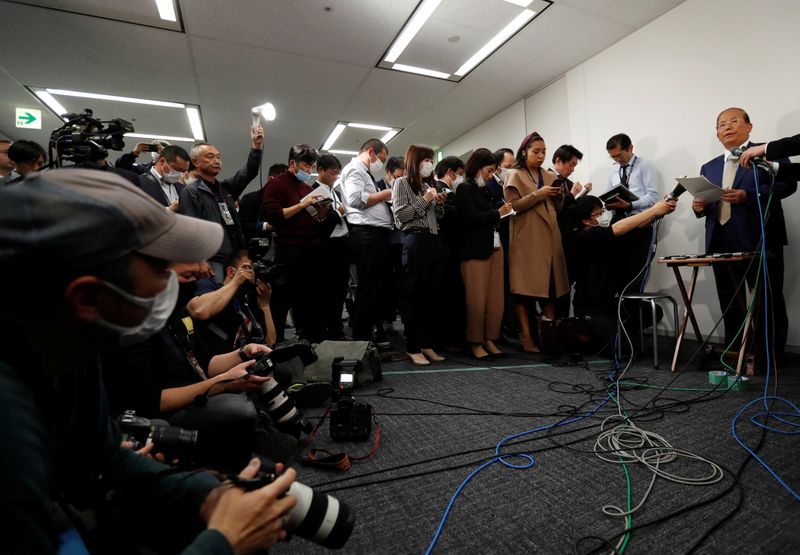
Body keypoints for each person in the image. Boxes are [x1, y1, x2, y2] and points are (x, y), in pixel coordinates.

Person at [0, 169, 297, 554]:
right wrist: (224, 543)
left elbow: (105, 457)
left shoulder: (72, 353)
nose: (172, 282)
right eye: (160, 268)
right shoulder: (8, 428)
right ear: (87, 299)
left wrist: (209, 495)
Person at [693, 107, 796, 362]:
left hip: (760, 236)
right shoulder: (709, 166)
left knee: (767, 299)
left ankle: (769, 356)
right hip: (721, 239)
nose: (727, 127)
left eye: (734, 121)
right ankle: (735, 352)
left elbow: (787, 184)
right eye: (721, 124)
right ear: (717, 134)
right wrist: (699, 207)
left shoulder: (767, 151)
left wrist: (749, 196)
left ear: (749, 126)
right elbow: (708, 201)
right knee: (729, 300)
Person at [568, 195, 676, 346]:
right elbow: (618, 229)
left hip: (610, 304)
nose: (604, 215)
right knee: (625, 347)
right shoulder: (581, 237)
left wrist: (660, 211)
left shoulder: (603, 234)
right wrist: (653, 210)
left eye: (603, 210)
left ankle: (613, 333)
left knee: (652, 311)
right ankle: (590, 331)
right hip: (589, 308)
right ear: (586, 220)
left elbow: (635, 227)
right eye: (599, 213)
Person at [504, 132, 569, 353]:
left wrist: (559, 195)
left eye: (543, 151)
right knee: (524, 291)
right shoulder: (514, 174)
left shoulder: (549, 175)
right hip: (526, 238)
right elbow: (514, 207)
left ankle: (547, 333)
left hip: (550, 237)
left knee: (550, 288)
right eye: (536, 151)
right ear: (524, 152)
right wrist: (540, 194)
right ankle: (526, 336)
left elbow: (557, 208)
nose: (541, 156)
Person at [261, 144, 333, 343]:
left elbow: (312, 219)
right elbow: (274, 215)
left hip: (310, 249)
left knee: (308, 299)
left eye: (312, 166)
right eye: (306, 165)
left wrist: (321, 211)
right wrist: (302, 204)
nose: (309, 170)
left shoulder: (306, 188)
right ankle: (276, 343)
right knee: (282, 300)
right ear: (292, 163)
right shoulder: (277, 184)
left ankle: (309, 340)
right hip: (289, 250)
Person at [178, 126, 264, 280]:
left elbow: (249, 171)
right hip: (212, 259)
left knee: (236, 298)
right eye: (210, 157)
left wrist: (256, 146)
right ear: (195, 162)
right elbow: (190, 230)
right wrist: (200, 260)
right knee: (218, 298)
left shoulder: (225, 188)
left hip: (235, 255)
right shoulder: (191, 191)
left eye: (218, 157)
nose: (217, 161)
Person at [455, 148, 514, 359]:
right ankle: (476, 342)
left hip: (494, 247)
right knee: (477, 301)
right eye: (489, 170)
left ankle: (490, 338)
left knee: (495, 300)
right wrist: (498, 213)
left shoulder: (485, 189)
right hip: (474, 251)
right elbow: (471, 218)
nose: (490, 175)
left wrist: (500, 210)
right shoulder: (464, 188)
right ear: (478, 167)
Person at [391, 144, 447, 366]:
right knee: (415, 296)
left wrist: (439, 203)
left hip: (433, 240)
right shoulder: (401, 183)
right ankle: (413, 347)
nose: (429, 164)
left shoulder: (428, 184)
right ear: (416, 161)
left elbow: (435, 217)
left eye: (431, 160)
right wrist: (425, 199)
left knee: (431, 297)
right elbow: (401, 216)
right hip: (415, 240)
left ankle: (427, 344)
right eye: (426, 160)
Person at [340, 138, 392, 343]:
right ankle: (363, 340)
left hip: (374, 234)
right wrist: (384, 195)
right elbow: (354, 199)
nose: (382, 163)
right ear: (371, 152)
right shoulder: (355, 169)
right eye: (382, 158)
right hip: (367, 234)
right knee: (368, 289)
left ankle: (368, 337)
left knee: (374, 289)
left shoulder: (364, 171)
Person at [187, 250, 276, 366]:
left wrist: (265, 305)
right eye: (249, 267)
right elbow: (199, 310)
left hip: (246, 364)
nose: (253, 273)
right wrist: (236, 282)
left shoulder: (247, 303)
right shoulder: (210, 286)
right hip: (215, 365)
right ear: (231, 272)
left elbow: (270, 344)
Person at [605, 133, 660, 290]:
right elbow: (612, 194)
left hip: (640, 223)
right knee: (618, 270)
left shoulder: (645, 165)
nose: (617, 160)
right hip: (619, 223)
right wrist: (609, 204)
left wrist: (631, 205)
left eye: (619, 155)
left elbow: (654, 196)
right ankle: (623, 311)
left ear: (630, 148)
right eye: (613, 157)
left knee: (636, 270)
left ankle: (635, 311)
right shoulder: (614, 170)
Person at [312, 153, 351, 340]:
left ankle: (337, 332)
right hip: (327, 248)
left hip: (342, 246)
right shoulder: (312, 192)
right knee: (327, 293)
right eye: (332, 173)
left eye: (337, 174)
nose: (335, 177)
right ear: (320, 170)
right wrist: (337, 213)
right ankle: (327, 334)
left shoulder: (334, 192)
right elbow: (318, 225)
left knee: (340, 292)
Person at [435, 156, 468, 351]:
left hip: (449, 248)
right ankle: (448, 339)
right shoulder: (440, 190)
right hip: (445, 248)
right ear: (450, 172)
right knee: (448, 294)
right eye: (460, 174)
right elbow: (449, 216)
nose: (460, 178)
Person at [374, 155, 406, 342]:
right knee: (382, 283)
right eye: (398, 176)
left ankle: (402, 322)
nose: (400, 180)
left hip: (401, 240)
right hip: (383, 240)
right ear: (388, 172)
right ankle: (380, 326)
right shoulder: (376, 186)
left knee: (402, 283)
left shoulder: (404, 187)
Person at [239, 162, 287, 242]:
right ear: (271, 179)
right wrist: (266, 226)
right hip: (255, 249)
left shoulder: (288, 201)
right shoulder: (250, 199)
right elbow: (241, 226)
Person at [138, 144, 191, 210]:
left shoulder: (182, 189)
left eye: (183, 171)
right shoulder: (139, 183)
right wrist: (168, 211)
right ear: (162, 161)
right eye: (177, 169)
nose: (180, 174)